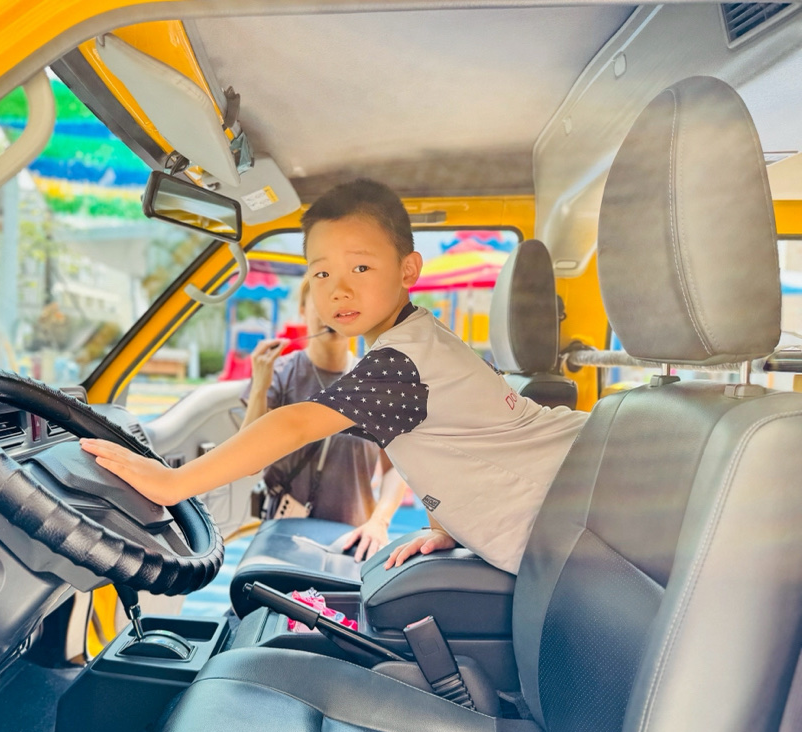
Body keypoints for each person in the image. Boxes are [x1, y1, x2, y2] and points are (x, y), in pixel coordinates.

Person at [81, 178, 588, 575]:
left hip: (578, 511)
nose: (338, 290)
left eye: (360, 269)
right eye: (321, 273)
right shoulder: (420, 342)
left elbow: (294, 424)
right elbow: (436, 443)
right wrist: (444, 525)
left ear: (408, 270)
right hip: (564, 511)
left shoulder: (403, 360)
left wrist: (172, 483)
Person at [241, 278, 406, 561]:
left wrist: (379, 522)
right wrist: (260, 387)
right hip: (283, 540)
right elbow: (248, 461)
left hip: (351, 543)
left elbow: (398, 467)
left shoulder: (377, 384)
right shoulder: (280, 374)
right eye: (321, 301)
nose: (333, 310)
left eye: (345, 303)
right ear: (302, 309)